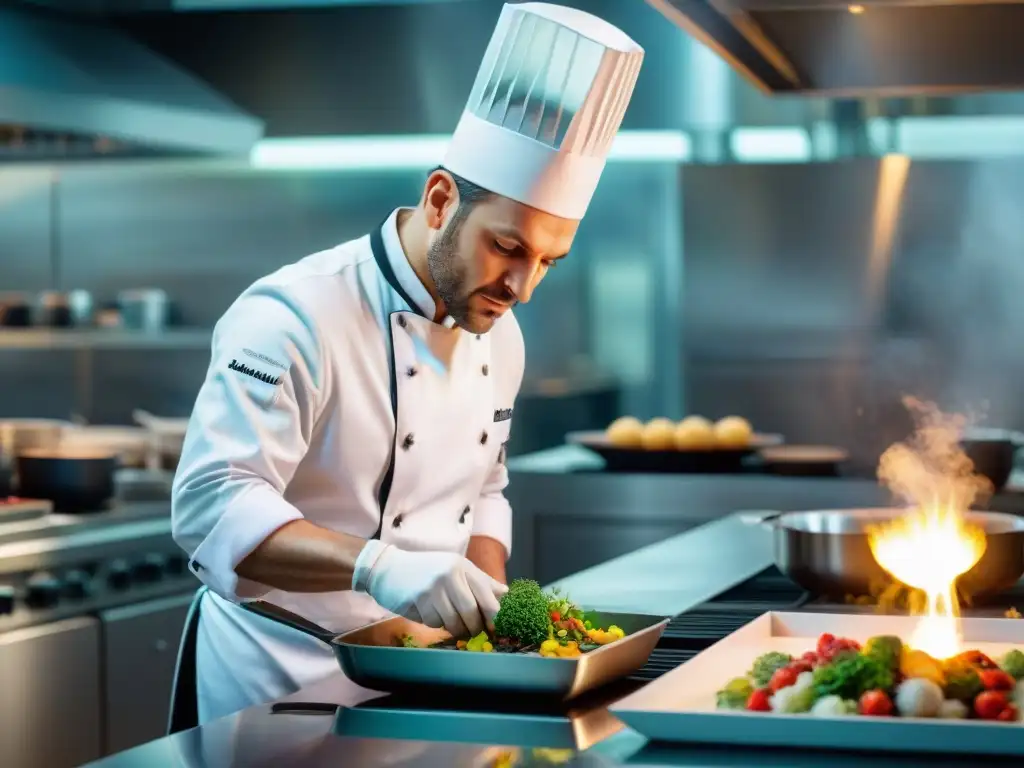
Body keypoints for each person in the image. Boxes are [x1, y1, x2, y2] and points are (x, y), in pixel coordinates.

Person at [170, 0, 645, 724]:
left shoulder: (500, 334)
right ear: (439, 198)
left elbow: (485, 485)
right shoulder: (294, 316)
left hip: (425, 679)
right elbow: (212, 507)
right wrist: (376, 566)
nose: (522, 287)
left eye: (550, 261)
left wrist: (493, 624)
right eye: (508, 248)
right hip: (280, 682)